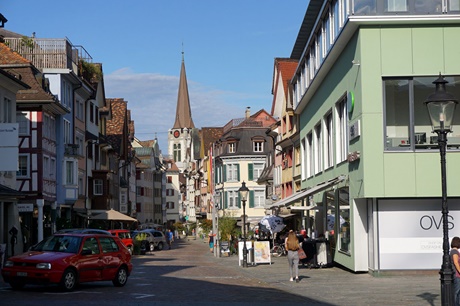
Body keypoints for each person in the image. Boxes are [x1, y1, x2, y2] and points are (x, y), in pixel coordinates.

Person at [451, 236, 460, 305]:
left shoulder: (454, 251)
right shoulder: (454, 252)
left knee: (458, 292)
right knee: (456, 292)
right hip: (457, 275)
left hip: (457, 275)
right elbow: (456, 263)